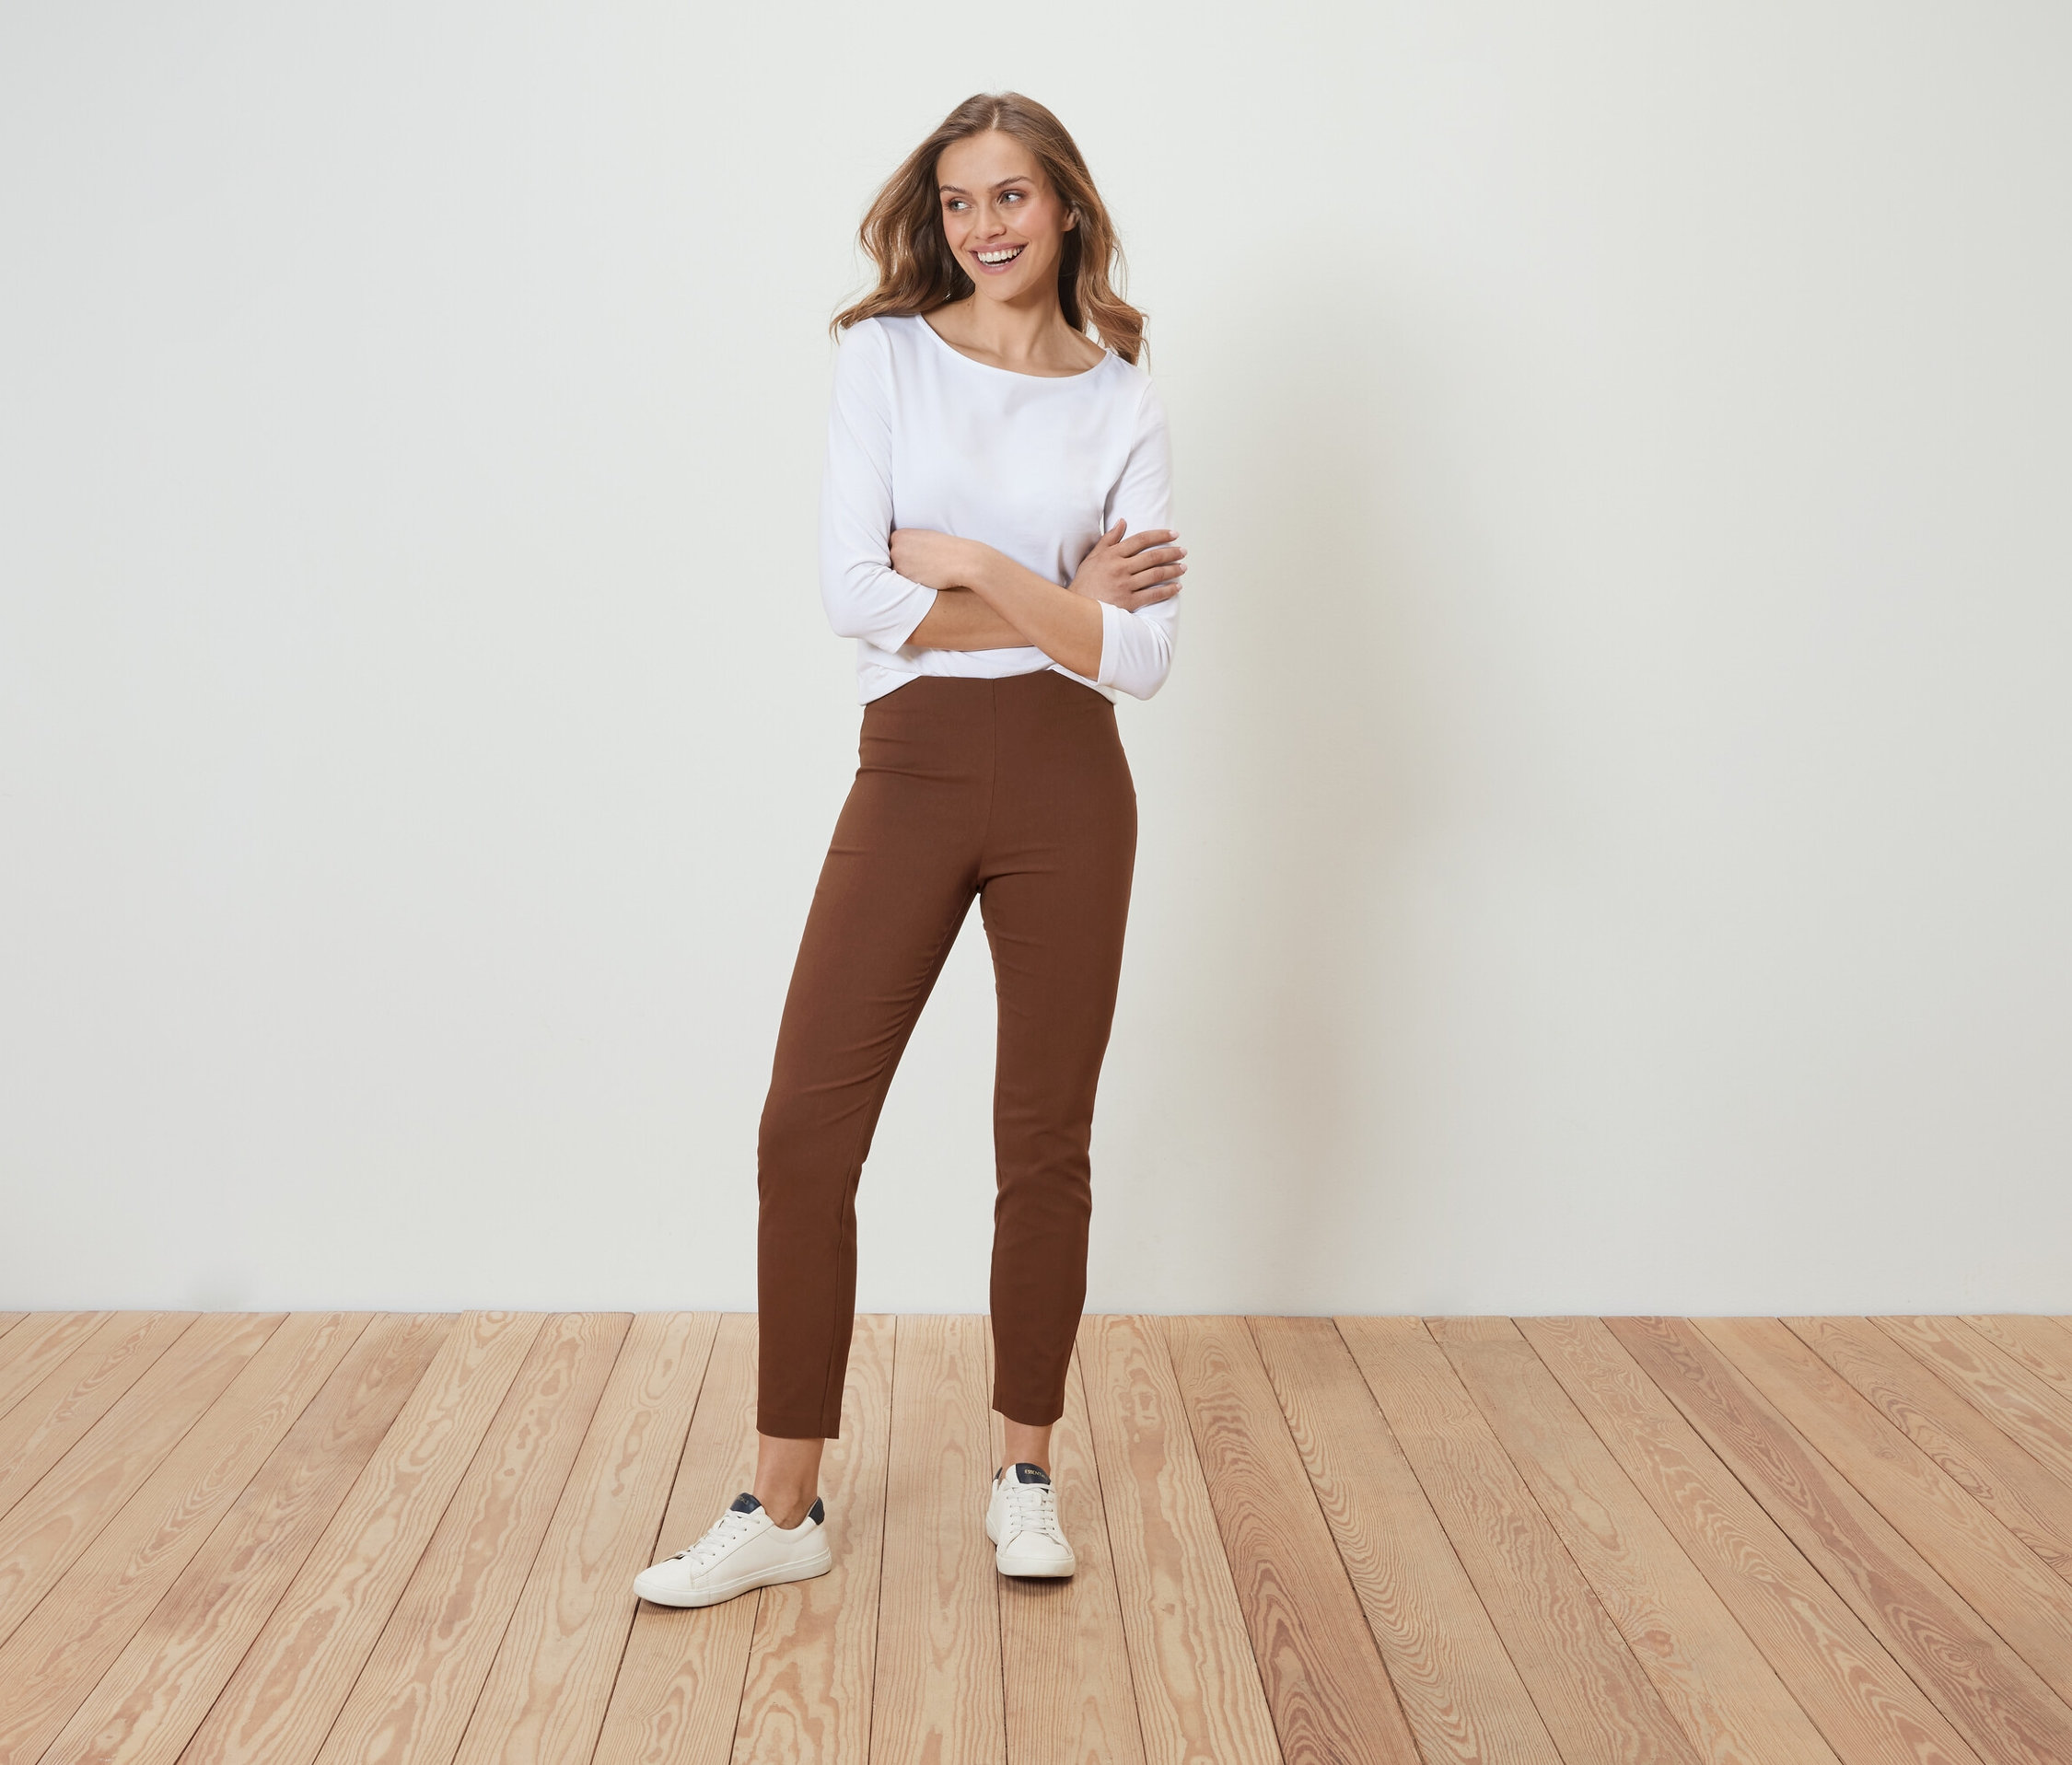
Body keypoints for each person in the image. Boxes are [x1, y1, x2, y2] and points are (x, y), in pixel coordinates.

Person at [634, 91, 1183, 1610]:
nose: (983, 228)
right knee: (803, 1127)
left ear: (1064, 206)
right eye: (957, 204)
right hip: (914, 767)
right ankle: (785, 1500)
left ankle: (1024, 1471)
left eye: (1011, 197)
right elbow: (855, 600)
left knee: (1042, 1137)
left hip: (1074, 786)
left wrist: (985, 565)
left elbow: (1138, 659)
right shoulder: (880, 359)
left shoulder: (1117, 392)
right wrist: (1058, 599)